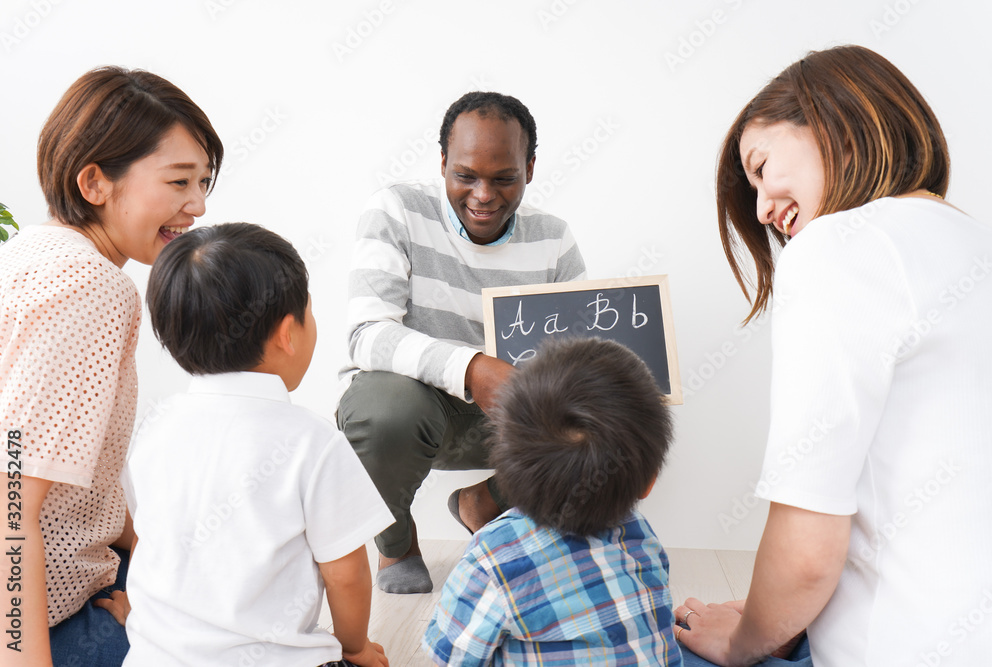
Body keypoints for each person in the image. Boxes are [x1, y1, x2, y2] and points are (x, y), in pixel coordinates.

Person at [676, 45, 992, 667]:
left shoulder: (838, 246)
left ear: (833, 124)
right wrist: (775, 617)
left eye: (761, 167)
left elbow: (809, 547)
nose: (762, 209)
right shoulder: (971, 240)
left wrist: (744, 641)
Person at [0, 66, 222, 666]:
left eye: (203, 181)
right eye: (178, 181)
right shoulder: (89, 286)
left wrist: (144, 558)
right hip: (30, 612)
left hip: (71, 571)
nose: (198, 205)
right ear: (94, 181)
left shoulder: (25, 253)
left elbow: (73, 484)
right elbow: (7, 499)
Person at [337, 91, 586, 594]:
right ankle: (396, 542)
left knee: (604, 416)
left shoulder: (553, 238)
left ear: (530, 169)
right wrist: (473, 368)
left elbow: (579, 357)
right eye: (465, 175)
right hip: (416, 412)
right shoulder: (396, 210)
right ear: (442, 163)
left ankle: (486, 502)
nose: (483, 194)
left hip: (515, 421)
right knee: (383, 412)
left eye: (504, 178)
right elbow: (367, 334)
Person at [122, 223, 392, 666]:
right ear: (287, 334)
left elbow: (145, 538)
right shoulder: (313, 441)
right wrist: (355, 647)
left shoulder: (153, 427)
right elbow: (346, 576)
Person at [422, 337, 680, 665]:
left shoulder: (493, 556)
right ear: (649, 481)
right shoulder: (641, 536)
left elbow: (452, 654)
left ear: (506, 467)